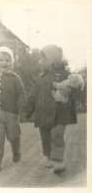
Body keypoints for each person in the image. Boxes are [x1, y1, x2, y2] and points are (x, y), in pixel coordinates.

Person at [27, 45, 77, 174]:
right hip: (43, 113)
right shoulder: (41, 78)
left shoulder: (66, 74)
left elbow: (75, 85)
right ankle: (49, 156)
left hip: (60, 112)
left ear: (50, 60)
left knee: (56, 134)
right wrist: (27, 111)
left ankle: (59, 161)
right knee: (45, 136)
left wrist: (68, 92)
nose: (39, 62)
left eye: (41, 59)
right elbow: (33, 96)